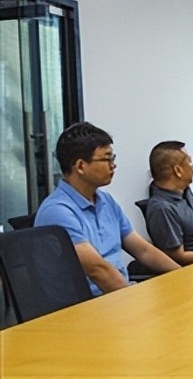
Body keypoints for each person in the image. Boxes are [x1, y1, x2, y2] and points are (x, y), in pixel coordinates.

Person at [33, 122, 180, 296]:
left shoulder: (105, 201)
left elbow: (143, 250)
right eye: (106, 159)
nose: (113, 165)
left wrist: (182, 276)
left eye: (113, 158)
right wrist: (133, 300)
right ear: (80, 166)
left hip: (116, 294)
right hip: (87, 304)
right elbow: (98, 271)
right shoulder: (57, 211)